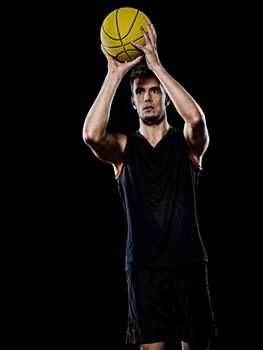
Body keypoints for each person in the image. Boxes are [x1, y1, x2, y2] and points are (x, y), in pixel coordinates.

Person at [83, 22, 217, 350]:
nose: (147, 97)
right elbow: (91, 135)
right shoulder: (123, 149)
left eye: (154, 90)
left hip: (187, 262)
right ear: (132, 102)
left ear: (165, 98)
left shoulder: (186, 144)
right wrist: (114, 74)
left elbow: (197, 120)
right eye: (140, 92)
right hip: (144, 267)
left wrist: (157, 65)